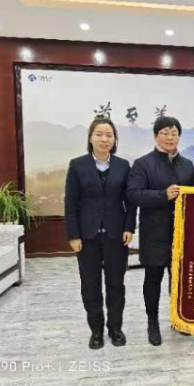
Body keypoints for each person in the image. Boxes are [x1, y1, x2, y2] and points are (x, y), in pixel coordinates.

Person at [127, 116, 194, 346]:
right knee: (153, 279)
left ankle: (178, 318)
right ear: (155, 136)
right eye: (165, 133)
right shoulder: (143, 164)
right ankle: (152, 323)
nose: (170, 137)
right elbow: (133, 194)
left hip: (183, 233)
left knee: (178, 279)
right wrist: (163, 195)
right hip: (154, 233)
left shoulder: (187, 164)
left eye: (174, 133)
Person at [65, 116, 136, 349]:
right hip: (87, 237)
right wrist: (73, 235)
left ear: (114, 140)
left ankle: (115, 329)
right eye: (99, 134)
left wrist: (129, 227)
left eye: (109, 135)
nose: (104, 139)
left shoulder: (123, 166)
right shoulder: (77, 165)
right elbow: (71, 203)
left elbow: (130, 202)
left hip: (116, 235)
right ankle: (96, 331)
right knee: (90, 285)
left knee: (116, 284)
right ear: (90, 138)